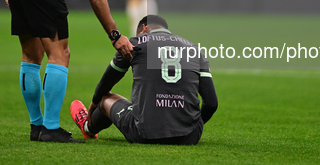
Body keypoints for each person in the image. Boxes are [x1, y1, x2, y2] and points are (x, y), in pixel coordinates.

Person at [5, 0, 147, 143]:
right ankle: (50, 128)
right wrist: (115, 36)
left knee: (31, 56)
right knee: (60, 54)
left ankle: (36, 127)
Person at [70, 14, 218, 145]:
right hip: (190, 137)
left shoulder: (135, 43)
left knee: (105, 98)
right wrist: (192, 127)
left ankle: (88, 127)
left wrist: (95, 102)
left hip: (145, 133)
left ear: (144, 28)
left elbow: (106, 82)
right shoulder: (195, 50)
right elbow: (211, 103)